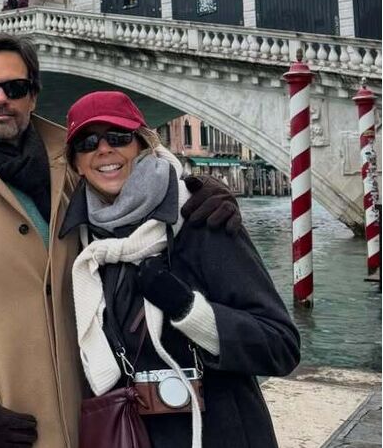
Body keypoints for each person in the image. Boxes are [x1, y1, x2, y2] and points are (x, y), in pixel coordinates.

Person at [0, 33, 242, 448]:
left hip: (87, 420)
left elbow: (135, 181)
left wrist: (198, 189)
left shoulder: (73, 169)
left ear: (33, 97)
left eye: (16, 88)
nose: (0, 98)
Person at [60, 91, 299, 448]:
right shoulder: (79, 243)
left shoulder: (201, 218)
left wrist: (190, 311)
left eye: (119, 137)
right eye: (88, 142)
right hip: (132, 434)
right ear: (76, 163)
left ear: (143, 145)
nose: (104, 149)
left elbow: (281, 345)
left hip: (219, 433)